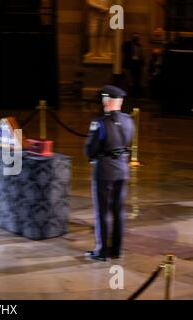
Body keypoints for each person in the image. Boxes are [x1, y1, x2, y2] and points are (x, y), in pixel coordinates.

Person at [84, 85, 134, 261]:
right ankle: (116, 250)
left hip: (104, 171)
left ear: (106, 101)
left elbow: (90, 150)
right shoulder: (129, 120)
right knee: (118, 211)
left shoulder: (100, 123)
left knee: (103, 212)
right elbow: (127, 144)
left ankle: (102, 250)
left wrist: (94, 156)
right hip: (122, 169)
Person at [122, 33, 145, 97]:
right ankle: (129, 93)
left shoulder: (139, 46)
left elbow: (141, 55)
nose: (136, 39)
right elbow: (123, 50)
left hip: (137, 64)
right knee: (129, 80)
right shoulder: (127, 44)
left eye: (137, 38)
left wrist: (142, 63)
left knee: (136, 80)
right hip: (129, 64)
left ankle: (135, 94)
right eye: (134, 38)